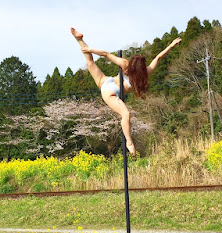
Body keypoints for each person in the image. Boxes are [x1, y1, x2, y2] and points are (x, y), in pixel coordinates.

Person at [71, 27, 181, 157]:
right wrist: (171, 46)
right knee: (126, 114)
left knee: (90, 63)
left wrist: (90, 50)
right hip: (110, 91)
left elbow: (106, 54)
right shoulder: (145, 73)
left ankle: (79, 40)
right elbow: (158, 58)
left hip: (107, 82)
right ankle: (129, 142)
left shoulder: (125, 64)